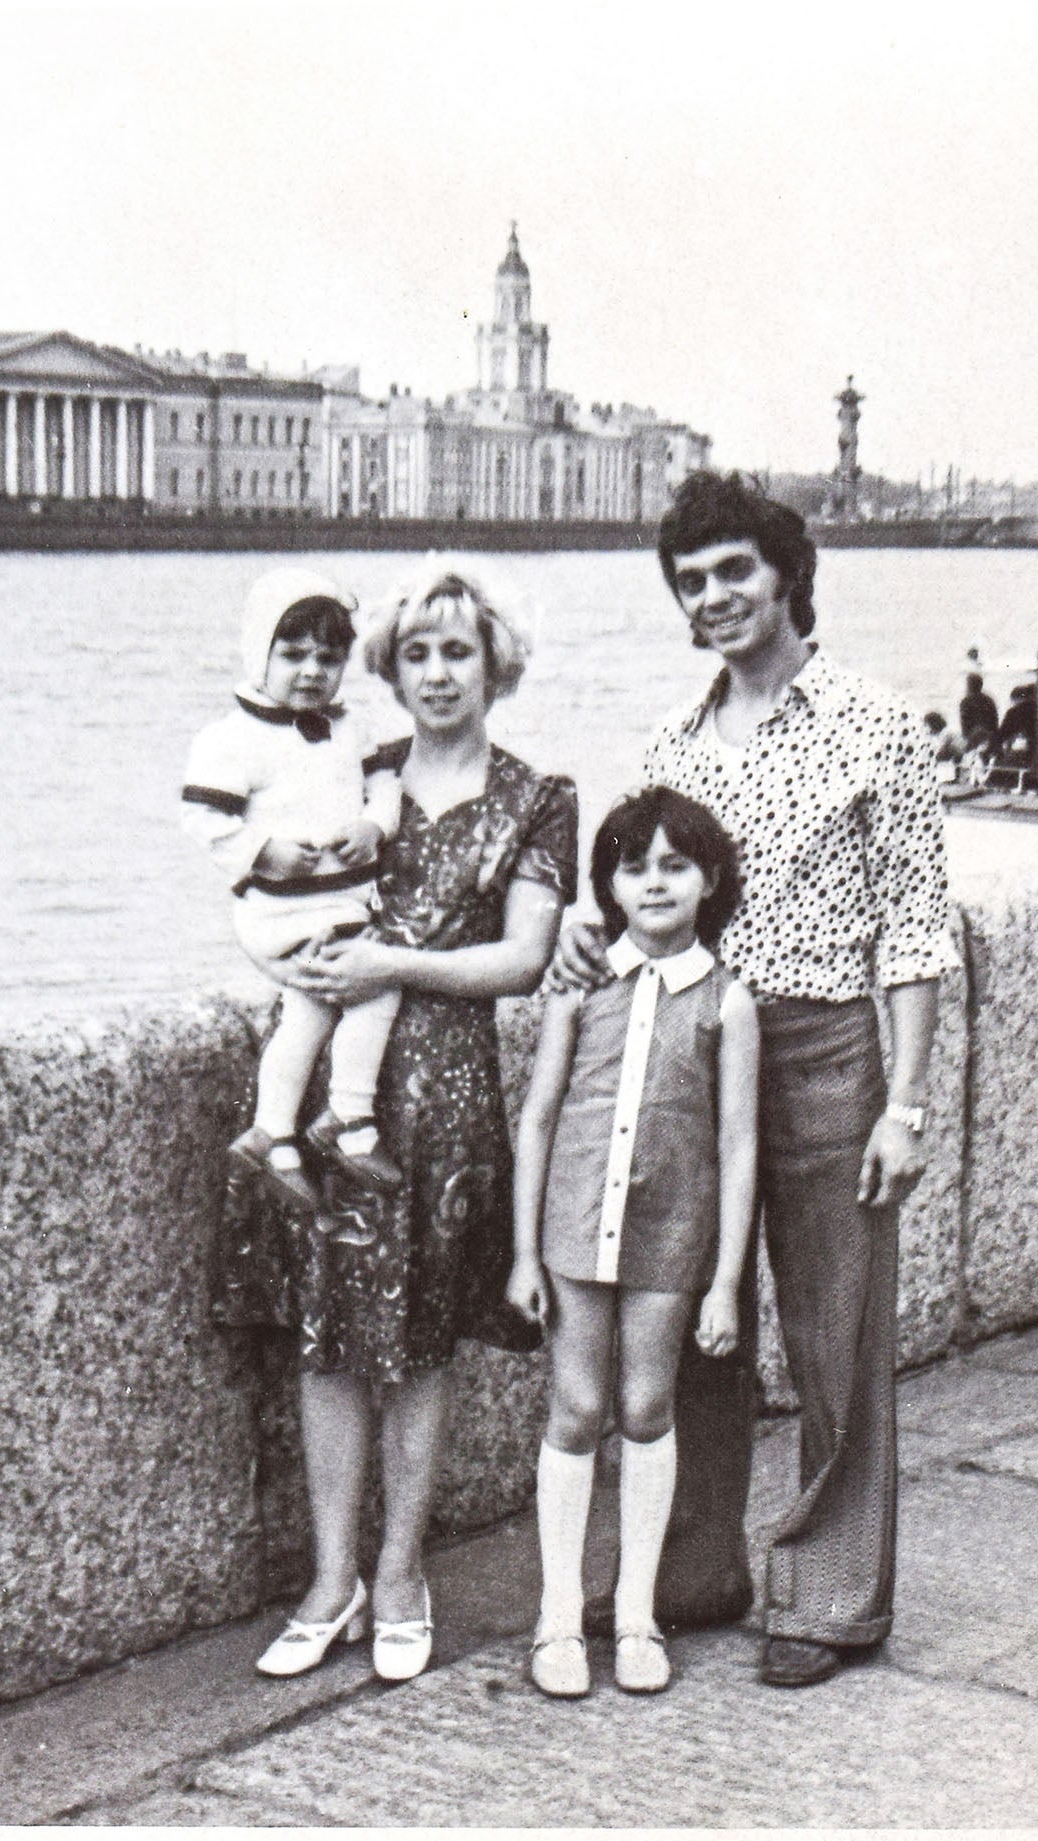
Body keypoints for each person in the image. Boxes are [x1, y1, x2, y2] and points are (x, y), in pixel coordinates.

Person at [553, 472, 957, 1690]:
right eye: (692, 581)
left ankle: (831, 1594)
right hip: (687, 1048)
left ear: (788, 573)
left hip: (829, 1046)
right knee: (687, 1320)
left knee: (835, 1329)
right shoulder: (673, 745)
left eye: (734, 571)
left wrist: (908, 1099)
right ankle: (695, 1566)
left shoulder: (876, 724)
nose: (715, 597)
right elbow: (636, 901)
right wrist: (583, 935)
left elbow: (919, 925)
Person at [211, 564, 575, 1686]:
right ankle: (334, 1579)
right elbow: (255, 870)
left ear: (494, 663)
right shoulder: (349, 766)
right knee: (326, 1340)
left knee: (417, 1345)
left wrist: (389, 962)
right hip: (332, 1097)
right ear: (389, 667)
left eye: (457, 651)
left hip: (447, 1099)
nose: (435, 672)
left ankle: (404, 1566)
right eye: (415, 653)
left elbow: (519, 959)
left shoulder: (537, 795)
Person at [509, 788, 760, 1699]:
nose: (653, 883)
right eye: (632, 865)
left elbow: (739, 1145)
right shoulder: (581, 988)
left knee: (649, 1407)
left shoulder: (729, 1003)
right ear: (607, 884)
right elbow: (537, 1117)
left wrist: (726, 1279)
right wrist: (523, 1254)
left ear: (710, 879)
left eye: (674, 865)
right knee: (576, 1409)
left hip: (670, 1239)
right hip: (575, 1232)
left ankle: (637, 1614)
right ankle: (558, 1615)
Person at [181, 567, 406, 1227]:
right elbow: (204, 820)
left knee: (310, 1008)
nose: (312, 671)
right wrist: (263, 851)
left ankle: (273, 1134)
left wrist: (374, 827)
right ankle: (350, 1116)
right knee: (377, 984)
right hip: (279, 912)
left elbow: (384, 787)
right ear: (261, 653)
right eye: (294, 654)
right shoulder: (231, 738)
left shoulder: (349, 729)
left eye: (329, 659)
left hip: (339, 904)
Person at [957, 671, 999, 755]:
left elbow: (965, 724)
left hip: (974, 737)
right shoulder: (989, 700)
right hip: (990, 737)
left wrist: (967, 740)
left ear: (969, 685)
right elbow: (995, 721)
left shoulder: (966, 701)